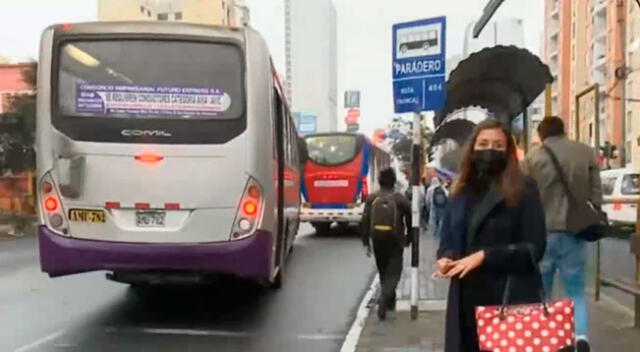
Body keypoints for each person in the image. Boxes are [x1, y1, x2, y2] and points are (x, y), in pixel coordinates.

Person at [434, 119, 547, 352]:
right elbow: (448, 238)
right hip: (464, 301)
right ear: (472, 148)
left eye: (498, 145)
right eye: (483, 143)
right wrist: (445, 258)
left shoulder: (524, 188)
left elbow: (535, 247)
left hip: (506, 299)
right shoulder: (460, 189)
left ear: (508, 151)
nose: (489, 151)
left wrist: (486, 256)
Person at [523, 116, 603, 352]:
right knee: (575, 289)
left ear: (541, 135)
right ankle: (580, 336)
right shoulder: (584, 152)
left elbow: (525, 196)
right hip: (575, 231)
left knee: (542, 290)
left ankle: (547, 338)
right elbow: (596, 191)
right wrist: (594, 210)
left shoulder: (532, 158)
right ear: (564, 129)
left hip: (541, 232)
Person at [361, 167, 411, 321]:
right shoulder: (399, 199)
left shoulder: (372, 198)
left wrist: (366, 242)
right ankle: (384, 303)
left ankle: (390, 303)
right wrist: (409, 237)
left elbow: (365, 220)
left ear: (379, 181)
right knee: (394, 273)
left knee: (383, 271)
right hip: (395, 240)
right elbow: (411, 216)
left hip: (377, 240)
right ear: (394, 181)